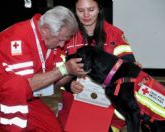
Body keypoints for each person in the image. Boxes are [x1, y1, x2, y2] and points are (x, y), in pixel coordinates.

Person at [0, 6, 87, 132]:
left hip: (23, 96)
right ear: (46, 30)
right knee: (17, 84)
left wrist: (72, 72)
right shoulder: (19, 35)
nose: (62, 45)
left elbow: (50, 83)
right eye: (61, 40)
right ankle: (6, 126)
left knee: (53, 129)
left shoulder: (50, 40)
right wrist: (64, 69)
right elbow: (26, 84)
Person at [56, 0, 137, 131]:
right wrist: (69, 84)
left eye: (91, 9)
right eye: (81, 11)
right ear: (75, 11)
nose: (86, 15)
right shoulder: (66, 36)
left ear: (99, 9)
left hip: (109, 107)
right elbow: (57, 70)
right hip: (74, 106)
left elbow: (127, 68)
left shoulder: (115, 34)